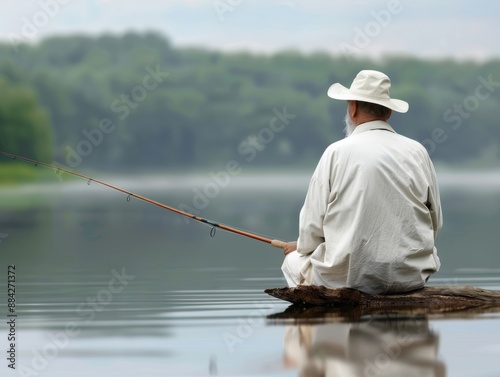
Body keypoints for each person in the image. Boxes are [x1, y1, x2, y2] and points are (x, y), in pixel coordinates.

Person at [281, 70, 442, 294]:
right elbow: (435, 223)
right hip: (409, 277)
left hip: (349, 279)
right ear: (388, 112)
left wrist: (302, 248)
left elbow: (311, 229)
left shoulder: (336, 152)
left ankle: (317, 325)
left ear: (353, 107)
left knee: (291, 262)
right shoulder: (418, 152)